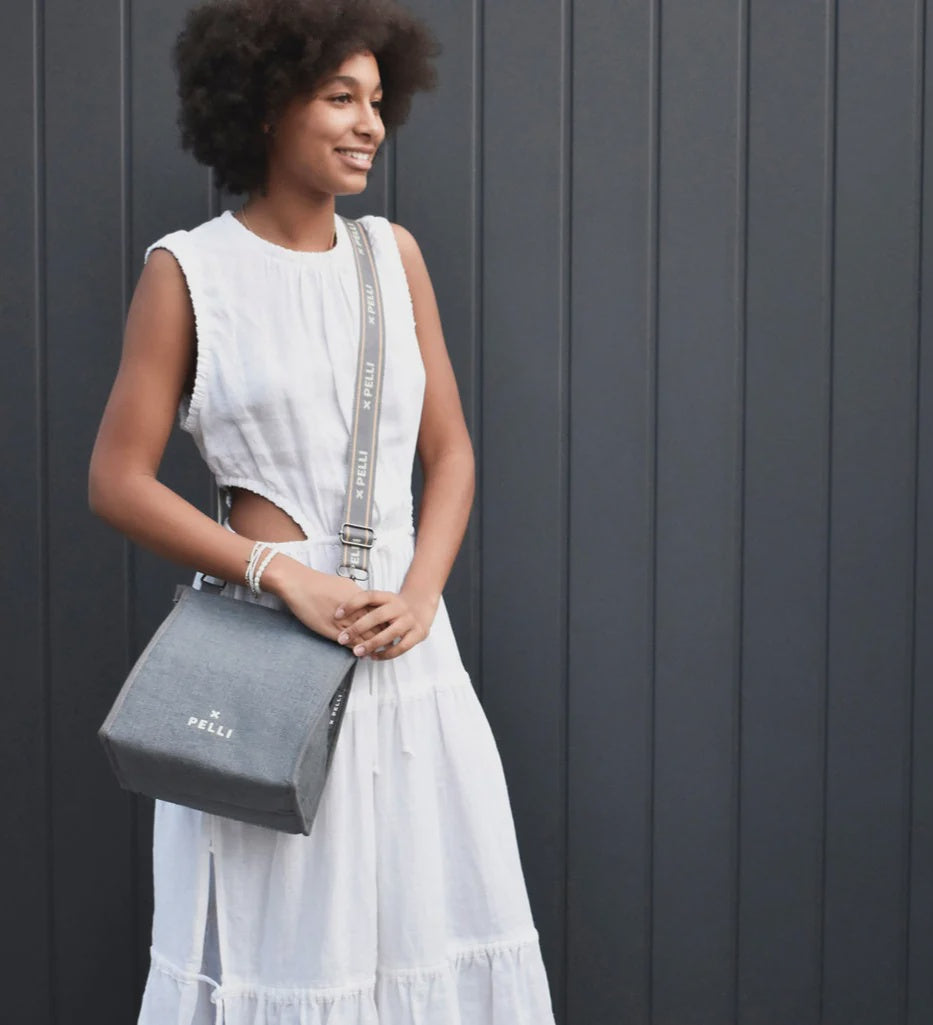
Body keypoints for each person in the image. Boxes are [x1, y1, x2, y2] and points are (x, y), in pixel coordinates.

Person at [88, 1, 557, 1022]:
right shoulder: (189, 272)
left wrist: (420, 595)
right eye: (340, 97)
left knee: (422, 937)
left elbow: (450, 451)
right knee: (292, 955)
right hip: (270, 659)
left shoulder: (392, 256)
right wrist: (281, 575)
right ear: (264, 103)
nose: (369, 124)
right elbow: (117, 478)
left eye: (377, 100)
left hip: (408, 662)